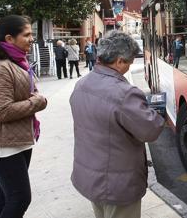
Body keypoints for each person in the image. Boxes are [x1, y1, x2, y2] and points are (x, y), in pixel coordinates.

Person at [70, 31, 164, 218]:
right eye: (128, 62)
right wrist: (154, 113)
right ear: (119, 61)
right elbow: (149, 130)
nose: (129, 67)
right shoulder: (124, 93)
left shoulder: (82, 83)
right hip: (116, 182)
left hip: (91, 175)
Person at [0, 15, 48, 218]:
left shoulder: (15, 63)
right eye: (27, 34)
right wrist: (37, 102)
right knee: (19, 198)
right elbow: (3, 111)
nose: (31, 39)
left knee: (6, 196)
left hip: (14, 140)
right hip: (0, 144)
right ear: (9, 39)